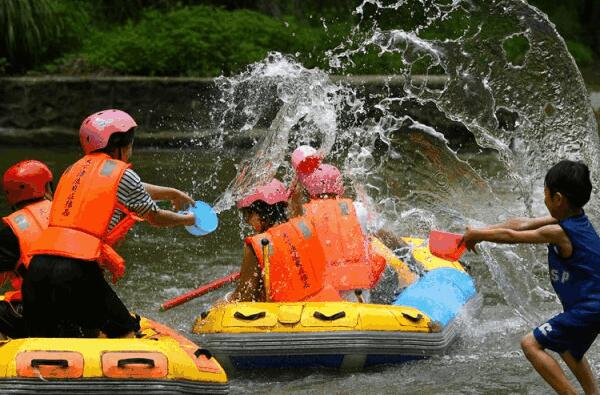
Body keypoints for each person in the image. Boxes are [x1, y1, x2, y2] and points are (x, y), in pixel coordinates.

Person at [22, 109, 196, 338]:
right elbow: (154, 216)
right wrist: (189, 219)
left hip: (37, 269)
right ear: (120, 145)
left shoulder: (72, 171)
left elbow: (127, 188)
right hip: (77, 270)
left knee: (48, 340)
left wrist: (170, 193)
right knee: (125, 333)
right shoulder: (119, 173)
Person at [461, 160, 600, 395]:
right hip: (591, 307)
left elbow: (512, 236)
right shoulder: (573, 221)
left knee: (530, 344)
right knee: (569, 350)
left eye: (545, 196)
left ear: (558, 199)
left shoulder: (559, 231)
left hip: (590, 308)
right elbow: (521, 225)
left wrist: (479, 235)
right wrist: (481, 228)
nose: (545, 202)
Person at [290, 163, 415, 303]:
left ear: (309, 191)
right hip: (359, 298)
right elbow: (389, 238)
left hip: (324, 301)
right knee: (389, 272)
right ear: (340, 189)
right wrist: (416, 266)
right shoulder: (358, 210)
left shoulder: (303, 219)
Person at [228, 179, 339, 303]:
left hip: (288, 317)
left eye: (247, 215)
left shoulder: (258, 246)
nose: (247, 221)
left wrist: (226, 299)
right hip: (327, 306)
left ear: (260, 213)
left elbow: (244, 298)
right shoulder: (305, 227)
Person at [0, 160, 53, 338]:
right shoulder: (73, 213)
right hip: (87, 310)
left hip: (40, 322)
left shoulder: (11, 231)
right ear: (47, 188)